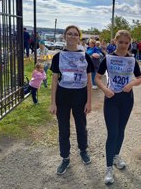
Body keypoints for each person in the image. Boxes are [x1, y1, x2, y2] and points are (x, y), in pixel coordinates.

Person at [95, 30, 141, 185]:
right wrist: (105, 89)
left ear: (130, 43)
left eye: (126, 43)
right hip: (111, 98)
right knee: (112, 133)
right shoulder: (107, 58)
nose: (123, 45)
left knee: (121, 130)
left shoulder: (132, 60)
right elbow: (97, 78)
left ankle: (116, 156)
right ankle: (109, 168)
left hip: (127, 99)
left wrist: (131, 83)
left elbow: (140, 78)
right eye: (120, 42)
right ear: (115, 41)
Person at [50, 25, 94, 175]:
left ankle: (83, 150)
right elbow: (54, 80)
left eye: (75, 34)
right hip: (63, 95)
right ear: (65, 36)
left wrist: (89, 101)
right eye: (70, 34)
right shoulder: (58, 57)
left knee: (81, 125)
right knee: (63, 129)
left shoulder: (85, 56)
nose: (72, 36)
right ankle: (65, 157)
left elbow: (89, 81)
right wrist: (52, 102)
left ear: (79, 37)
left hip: (80, 95)